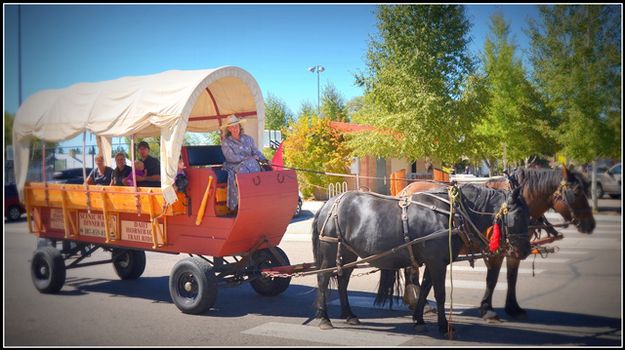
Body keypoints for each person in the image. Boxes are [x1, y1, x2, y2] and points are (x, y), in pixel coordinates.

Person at [220, 114, 267, 211]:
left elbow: (256, 151)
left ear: (239, 126)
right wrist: (248, 159)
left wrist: (264, 159)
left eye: (236, 126)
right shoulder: (226, 142)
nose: (235, 128)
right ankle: (243, 201)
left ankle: (258, 196)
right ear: (228, 129)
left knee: (261, 168)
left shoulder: (248, 139)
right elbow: (231, 157)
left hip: (251, 163)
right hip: (234, 165)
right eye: (232, 127)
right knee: (245, 168)